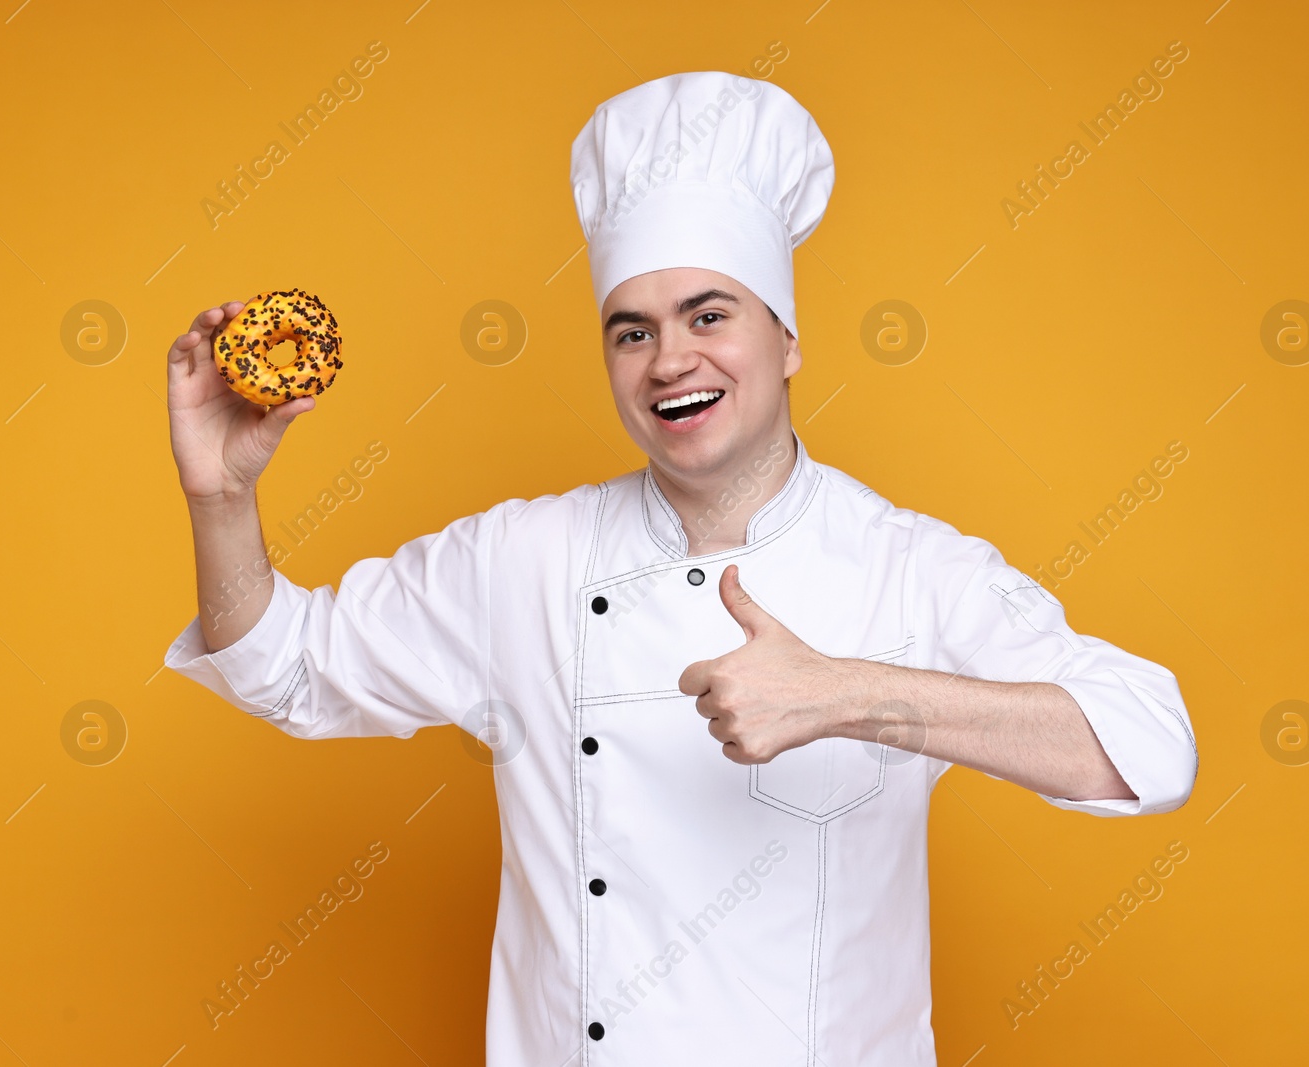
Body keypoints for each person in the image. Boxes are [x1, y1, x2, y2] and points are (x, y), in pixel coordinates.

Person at [163, 71, 1197, 1066]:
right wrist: (221, 498)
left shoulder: (905, 564)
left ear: (785, 338)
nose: (669, 360)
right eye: (632, 331)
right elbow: (280, 667)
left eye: (709, 315)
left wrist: (852, 695)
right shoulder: (523, 560)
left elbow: (1150, 748)